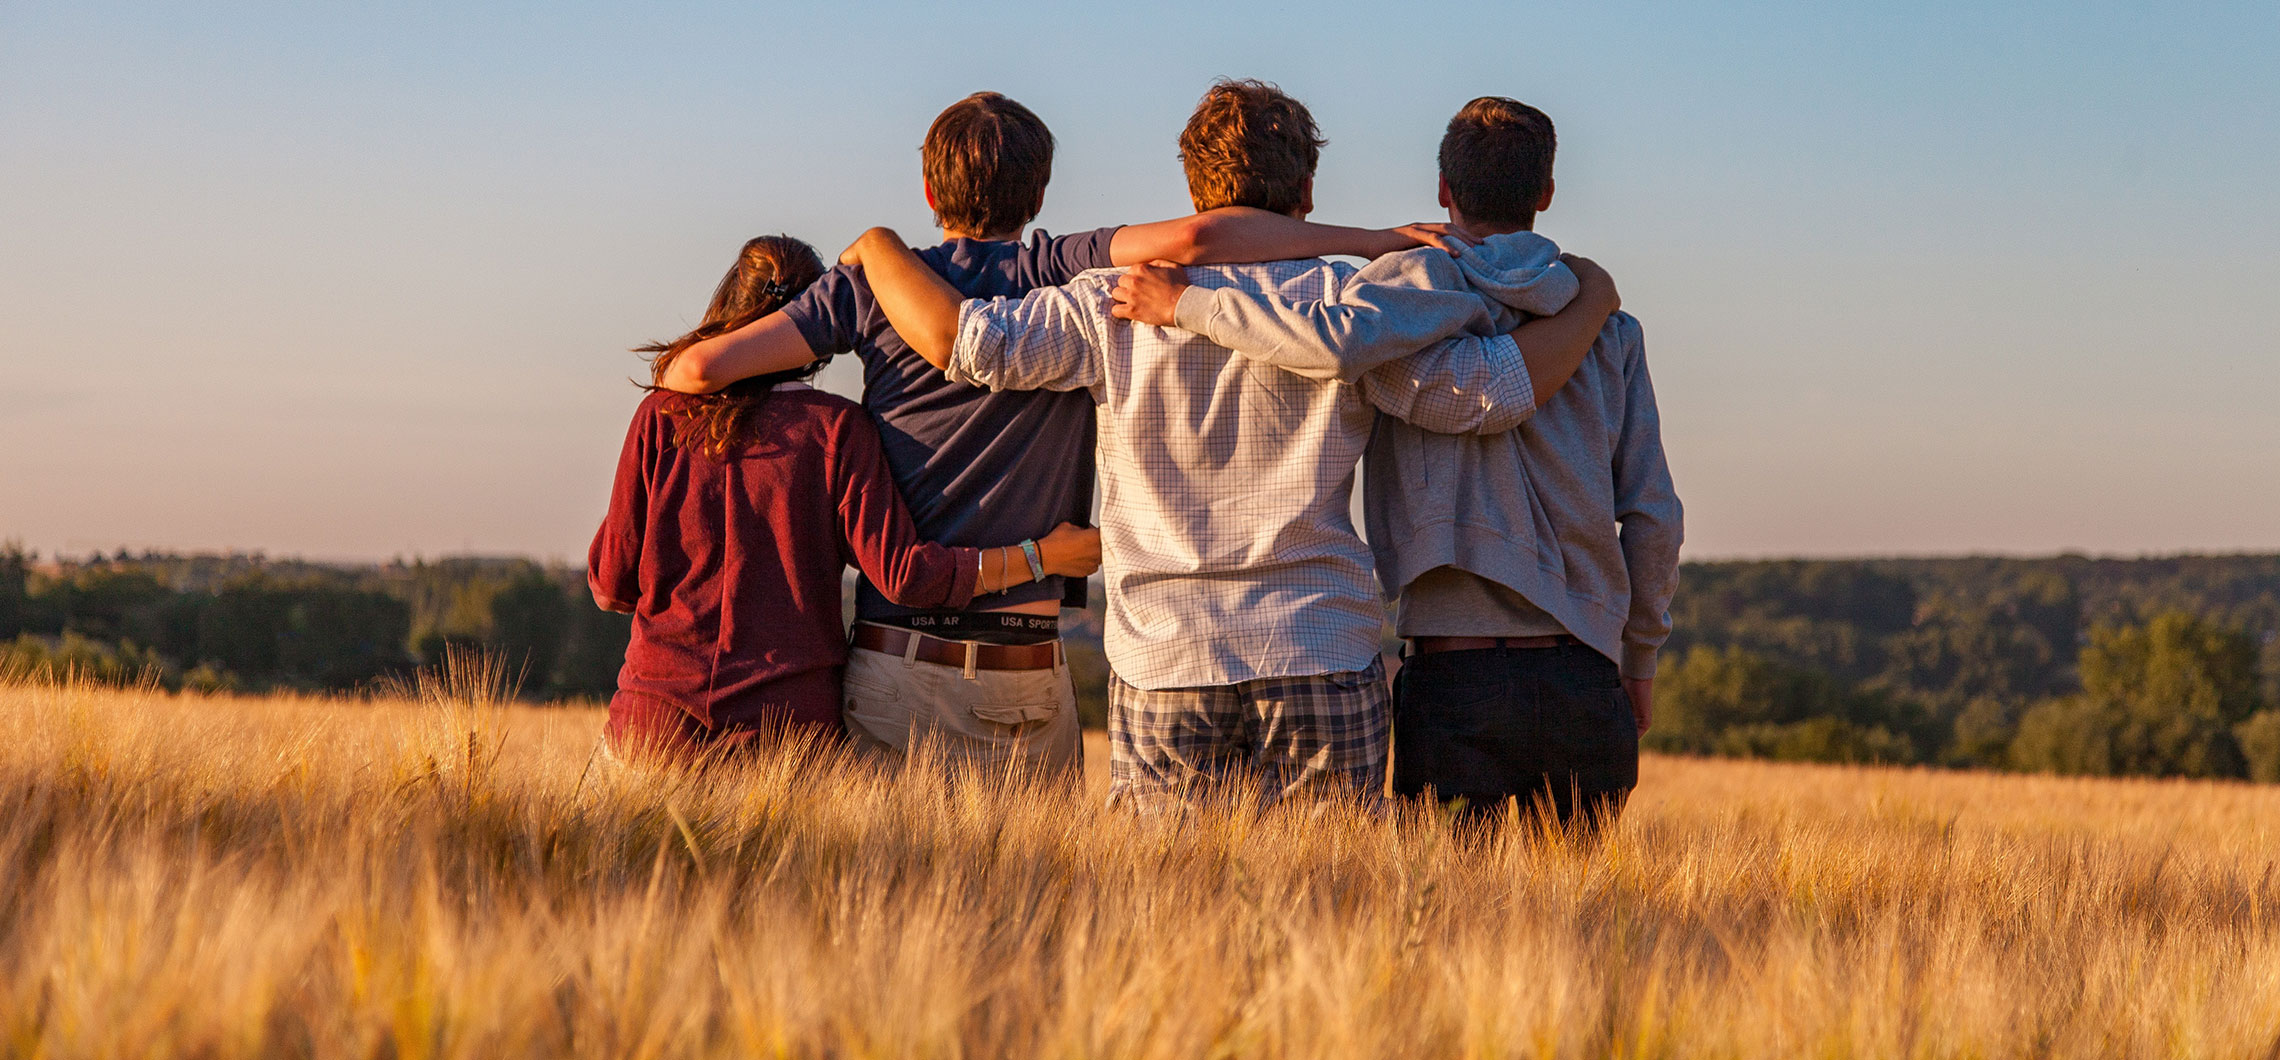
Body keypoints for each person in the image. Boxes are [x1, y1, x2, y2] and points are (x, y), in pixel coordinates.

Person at [842, 80, 1620, 812]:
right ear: (1307, 194)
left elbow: (971, 345)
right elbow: (1484, 396)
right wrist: (1591, 302)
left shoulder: (1107, 303)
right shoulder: (1351, 304)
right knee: (1331, 909)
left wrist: (879, 248)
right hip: (1318, 642)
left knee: (1167, 917)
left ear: (1192, 192)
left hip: (1165, 656)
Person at [651, 92, 1467, 778]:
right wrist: (1373, 242)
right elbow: (1198, 240)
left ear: (929, 192)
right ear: (1039, 193)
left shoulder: (875, 288)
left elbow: (696, 375)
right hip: (1037, 661)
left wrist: (867, 254)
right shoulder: (1059, 268)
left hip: (905, 656)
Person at [1112, 97, 1683, 832]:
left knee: (1443, 925)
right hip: (1585, 672)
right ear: (1545, 194)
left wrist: (1188, 304)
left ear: (1444, 190)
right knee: (1585, 932)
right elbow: (1652, 514)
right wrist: (1638, 656)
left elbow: (1330, 343)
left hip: (1454, 674)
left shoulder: (1395, 302)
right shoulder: (1609, 329)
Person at [587, 235, 1100, 763]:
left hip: (655, 722)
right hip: (787, 737)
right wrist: (1043, 557)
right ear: (817, 327)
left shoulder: (661, 417)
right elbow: (906, 576)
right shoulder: (837, 430)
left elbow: (611, 584)